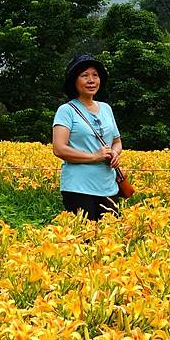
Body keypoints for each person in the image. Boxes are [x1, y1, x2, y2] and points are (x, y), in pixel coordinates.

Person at [52, 54, 123, 221]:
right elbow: (59, 148)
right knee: (85, 240)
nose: (91, 80)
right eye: (84, 76)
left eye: (95, 75)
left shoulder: (106, 109)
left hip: (109, 186)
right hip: (78, 188)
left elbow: (117, 141)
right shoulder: (66, 110)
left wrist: (115, 153)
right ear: (74, 81)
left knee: (111, 237)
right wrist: (94, 157)